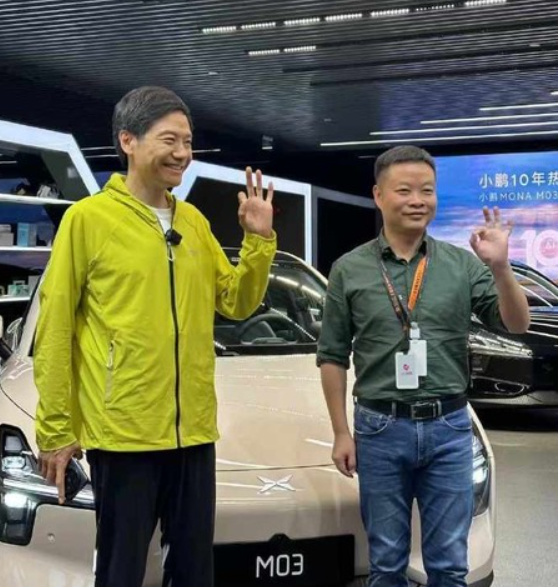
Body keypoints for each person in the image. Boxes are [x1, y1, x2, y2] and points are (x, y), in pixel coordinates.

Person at [34, 86, 277, 587]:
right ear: (129, 140)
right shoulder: (88, 220)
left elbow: (234, 301)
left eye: (188, 141)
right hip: (123, 434)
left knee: (193, 571)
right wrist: (56, 430)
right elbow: (55, 328)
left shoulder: (193, 221)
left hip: (194, 432)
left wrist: (259, 241)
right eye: (170, 140)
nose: (183, 153)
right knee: (121, 571)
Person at [317, 145, 529, 587]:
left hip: (448, 427)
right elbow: (333, 355)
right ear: (378, 196)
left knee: (450, 564)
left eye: (427, 191)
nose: (418, 200)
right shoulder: (349, 269)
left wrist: (501, 268)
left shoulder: (461, 265)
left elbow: (516, 322)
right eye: (405, 190)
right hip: (379, 428)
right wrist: (340, 431)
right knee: (386, 563)